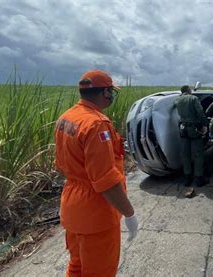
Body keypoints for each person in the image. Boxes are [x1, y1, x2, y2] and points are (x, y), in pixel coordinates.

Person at [54, 70, 138, 276]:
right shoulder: (97, 124)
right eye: (111, 91)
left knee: (77, 265)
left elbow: (63, 163)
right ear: (105, 93)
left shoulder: (67, 117)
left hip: (72, 208)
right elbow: (106, 182)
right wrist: (129, 213)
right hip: (96, 213)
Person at [174, 85, 208, 189]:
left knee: (186, 154)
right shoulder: (193, 98)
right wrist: (205, 124)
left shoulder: (177, 99)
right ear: (188, 90)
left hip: (183, 129)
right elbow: (200, 112)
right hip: (194, 129)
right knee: (198, 154)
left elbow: (175, 104)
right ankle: (198, 178)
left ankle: (187, 178)